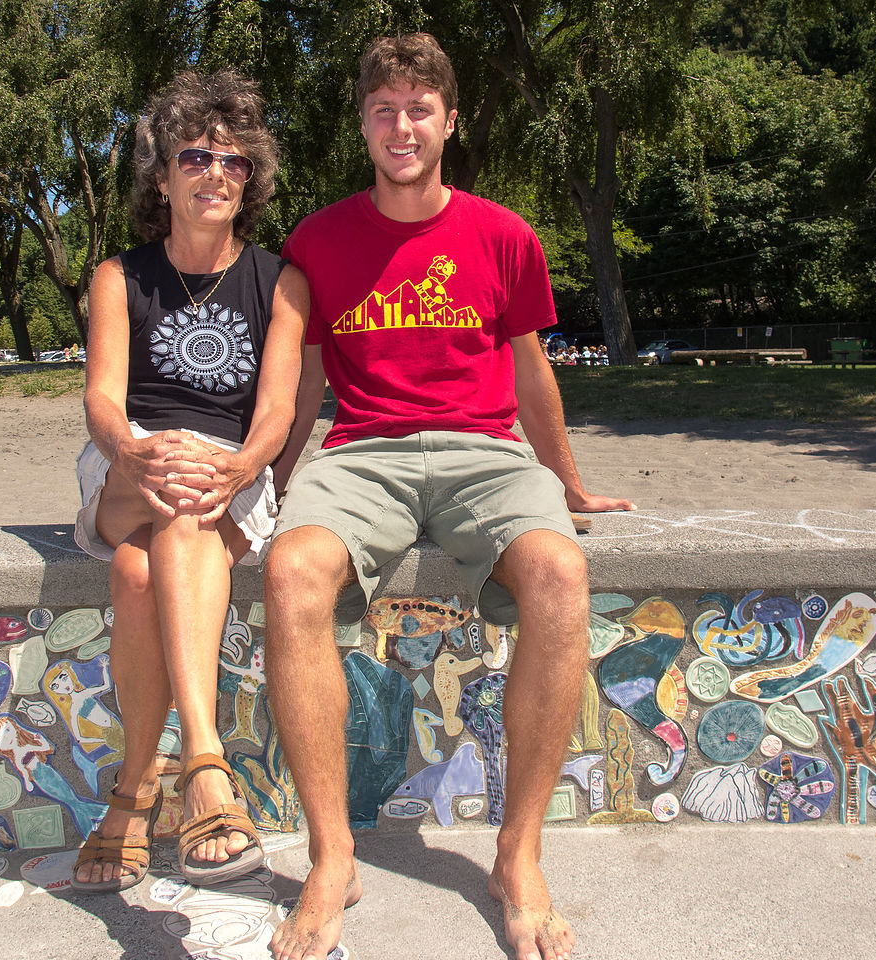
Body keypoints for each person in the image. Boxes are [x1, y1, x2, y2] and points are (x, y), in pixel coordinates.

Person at [264, 33, 633, 960]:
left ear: (450, 121)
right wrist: (274, 485)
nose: (402, 127)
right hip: (364, 450)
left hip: (485, 452)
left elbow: (531, 369)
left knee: (559, 572)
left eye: (419, 110)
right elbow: (305, 379)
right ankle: (332, 856)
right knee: (293, 571)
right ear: (362, 125)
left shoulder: (504, 234)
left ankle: (518, 854)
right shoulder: (318, 239)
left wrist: (568, 480)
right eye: (384, 110)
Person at [69, 69, 307, 893]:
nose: (215, 174)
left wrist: (242, 465)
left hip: (230, 467)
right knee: (174, 479)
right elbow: (102, 400)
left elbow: (276, 412)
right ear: (162, 177)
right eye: (196, 157)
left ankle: (133, 794)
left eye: (234, 162)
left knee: (141, 570)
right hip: (132, 460)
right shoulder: (119, 276)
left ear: (251, 182)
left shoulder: (280, 281)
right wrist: (131, 453)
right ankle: (206, 762)